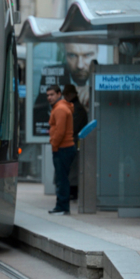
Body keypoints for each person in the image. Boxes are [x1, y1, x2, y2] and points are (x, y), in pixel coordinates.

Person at [47, 85, 75, 215]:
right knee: (62, 178)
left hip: (62, 148)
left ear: (59, 94)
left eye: (52, 94)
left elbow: (60, 131)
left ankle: (62, 207)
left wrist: (54, 144)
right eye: (48, 95)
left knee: (61, 179)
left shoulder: (60, 109)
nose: (49, 97)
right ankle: (61, 206)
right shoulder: (62, 107)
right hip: (64, 147)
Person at [63, 85, 88, 201]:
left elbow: (71, 126)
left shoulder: (76, 109)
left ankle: (72, 192)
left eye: (67, 95)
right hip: (71, 142)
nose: (65, 97)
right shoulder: (73, 107)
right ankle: (71, 191)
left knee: (72, 169)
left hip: (73, 143)